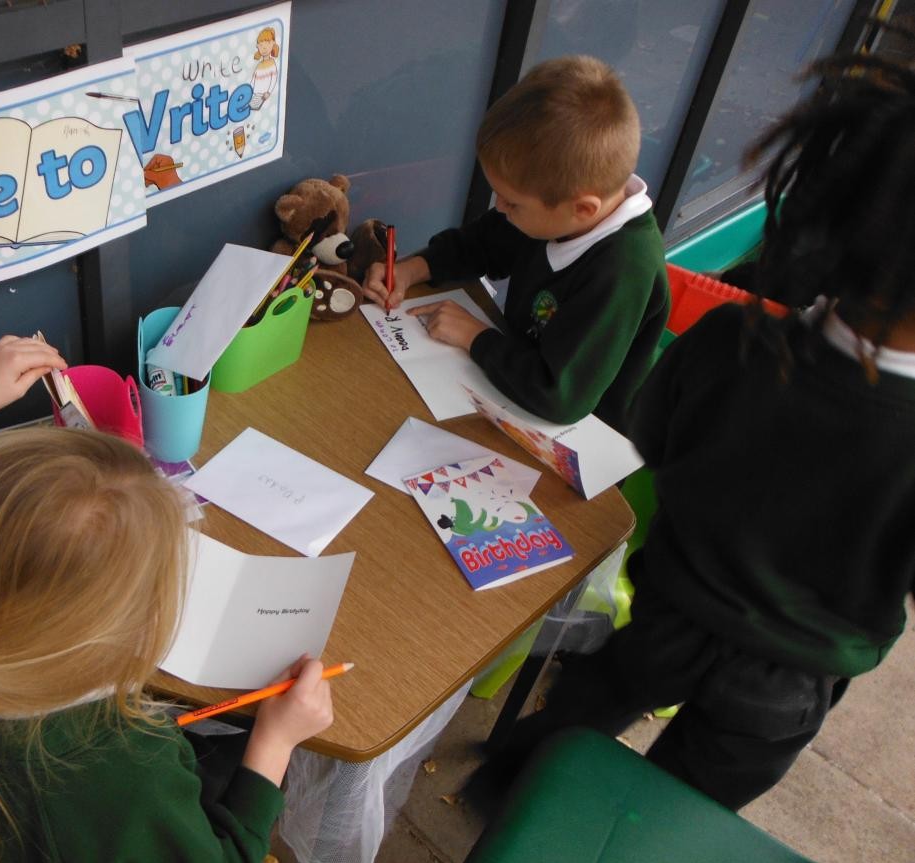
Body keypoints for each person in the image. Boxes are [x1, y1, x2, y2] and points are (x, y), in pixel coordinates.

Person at [483, 46, 915, 811]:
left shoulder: (728, 345)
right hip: (785, 680)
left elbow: (653, 442)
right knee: (672, 812)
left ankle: (505, 796)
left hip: (666, 613)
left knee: (565, 731)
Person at [0, 336, 334, 863]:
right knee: (237, 745)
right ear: (103, 634)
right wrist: (275, 743)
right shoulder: (123, 775)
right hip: (55, 855)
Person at [363, 55, 669, 432]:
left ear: (583, 209)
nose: (499, 207)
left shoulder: (623, 271)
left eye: (512, 202)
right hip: (510, 382)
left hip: (581, 435)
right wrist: (412, 269)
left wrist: (476, 337)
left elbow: (559, 395)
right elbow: (484, 243)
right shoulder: (558, 204)